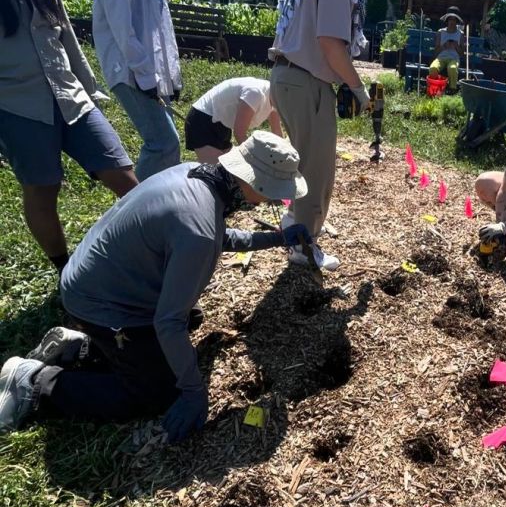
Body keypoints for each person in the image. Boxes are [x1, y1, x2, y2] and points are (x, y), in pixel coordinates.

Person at [0, 132, 312, 442]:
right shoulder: (198, 229)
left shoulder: (195, 176)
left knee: (191, 317)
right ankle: (35, 381)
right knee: (157, 393)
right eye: (272, 192)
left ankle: (83, 348)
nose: (271, 199)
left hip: (96, 282)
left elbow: (217, 235)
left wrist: (276, 238)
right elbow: (168, 320)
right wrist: (192, 391)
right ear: (253, 182)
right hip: (101, 303)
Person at [0, 0, 137, 273]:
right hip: (17, 103)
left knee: (126, 178)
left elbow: (63, 31)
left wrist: (89, 88)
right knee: (42, 190)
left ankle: (148, 260)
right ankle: (66, 270)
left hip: (69, 95)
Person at [270, 0, 385, 272]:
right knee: (315, 173)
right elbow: (332, 46)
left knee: (303, 161)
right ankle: (303, 247)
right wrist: (357, 88)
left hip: (286, 76)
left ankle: (294, 225)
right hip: (307, 83)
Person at [91, 0, 191, 180]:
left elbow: (161, 33)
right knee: (163, 145)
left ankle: (159, 211)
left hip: (151, 75)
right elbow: (122, 28)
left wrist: (171, 79)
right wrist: (146, 78)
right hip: (131, 72)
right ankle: (133, 213)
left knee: (170, 150)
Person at [184, 76, 283, 163]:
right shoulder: (255, 93)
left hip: (223, 124)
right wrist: (258, 159)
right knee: (216, 174)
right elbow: (239, 134)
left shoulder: (276, 99)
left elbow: (277, 131)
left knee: (229, 169)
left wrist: (283, 154)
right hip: (202, 121)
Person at [429, 8, 464, 91]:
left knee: (452, 68)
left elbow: (462, 54)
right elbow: (435, 53)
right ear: (447, 20)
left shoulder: (460, 34)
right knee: (433, 68)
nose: (452, 22)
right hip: (441, 58)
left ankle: (452, 89)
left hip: (454, 59)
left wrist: (456, 46)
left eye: (454, 20)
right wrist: (443, 46)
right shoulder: (440, 32)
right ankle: (435, 88)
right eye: (450, 19)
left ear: (457, 22)